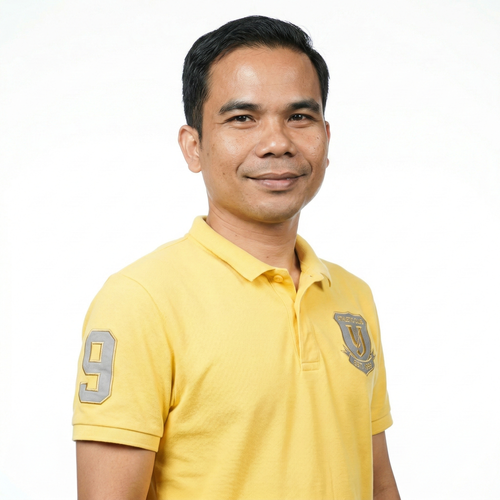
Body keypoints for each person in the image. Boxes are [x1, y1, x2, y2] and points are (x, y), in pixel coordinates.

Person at [73, 15, 400, 500]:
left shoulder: (352, 296)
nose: (277, 143)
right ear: (193, 147)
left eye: (299, 116)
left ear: (327, 138)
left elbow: (378, 483)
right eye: (243, 118)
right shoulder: (140, 301)